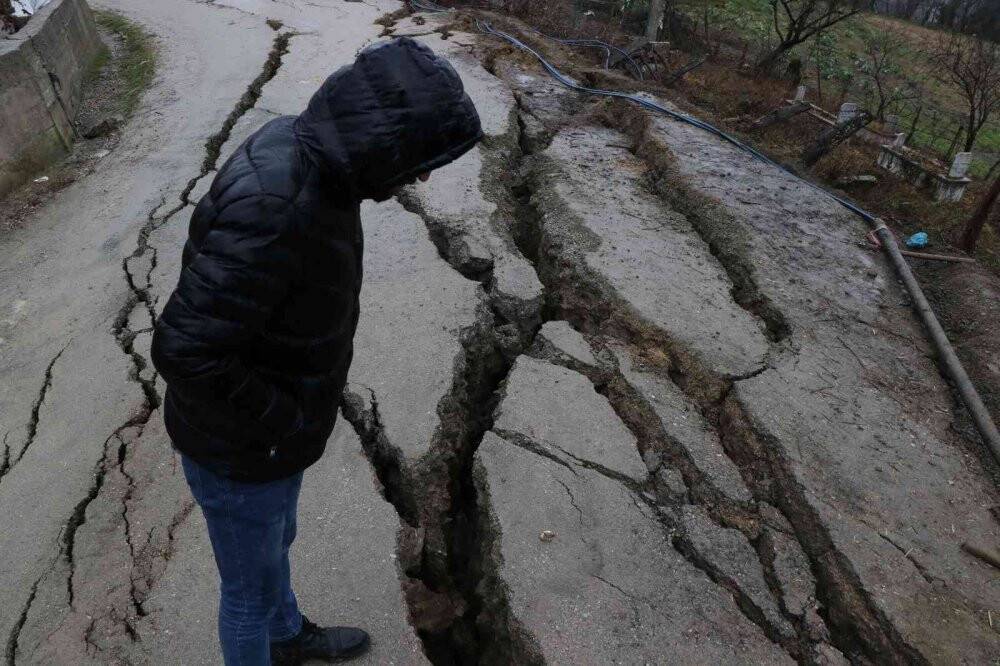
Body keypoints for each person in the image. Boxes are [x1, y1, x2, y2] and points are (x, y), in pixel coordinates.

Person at [150, 37, 482, 665]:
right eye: (420, 158)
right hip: (241, 447)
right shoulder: (277, 203)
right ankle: (269, 635)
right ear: (384, 144)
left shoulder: (320, 162)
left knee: (278, 543)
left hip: (273, 438)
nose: (425, 175)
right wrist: (283, 421)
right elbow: (185, 349)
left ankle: (288, 634)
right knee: (245, 591)